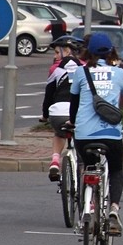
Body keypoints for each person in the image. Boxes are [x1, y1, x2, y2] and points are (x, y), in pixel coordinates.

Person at [66, 33, 123, 235]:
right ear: (112, 51)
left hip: (84, 135)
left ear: (88, 51)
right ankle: (113, 210)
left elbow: (74, 104)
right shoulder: (119, 73)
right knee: (115, 171)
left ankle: (88, 205)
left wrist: (73, 122)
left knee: (87, 165)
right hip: (111, 134)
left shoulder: (80, 72)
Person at [40, 35, 85, 181]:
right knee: (83, 137)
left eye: (57, 52)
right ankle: (84, 167)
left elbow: (49, 96)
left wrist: (45, 115)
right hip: (79, 113)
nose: (55, 56)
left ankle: (55, 161)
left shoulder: (55, 70)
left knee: (59, 134)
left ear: (66, 51)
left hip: (58, 111)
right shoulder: (85, 68)